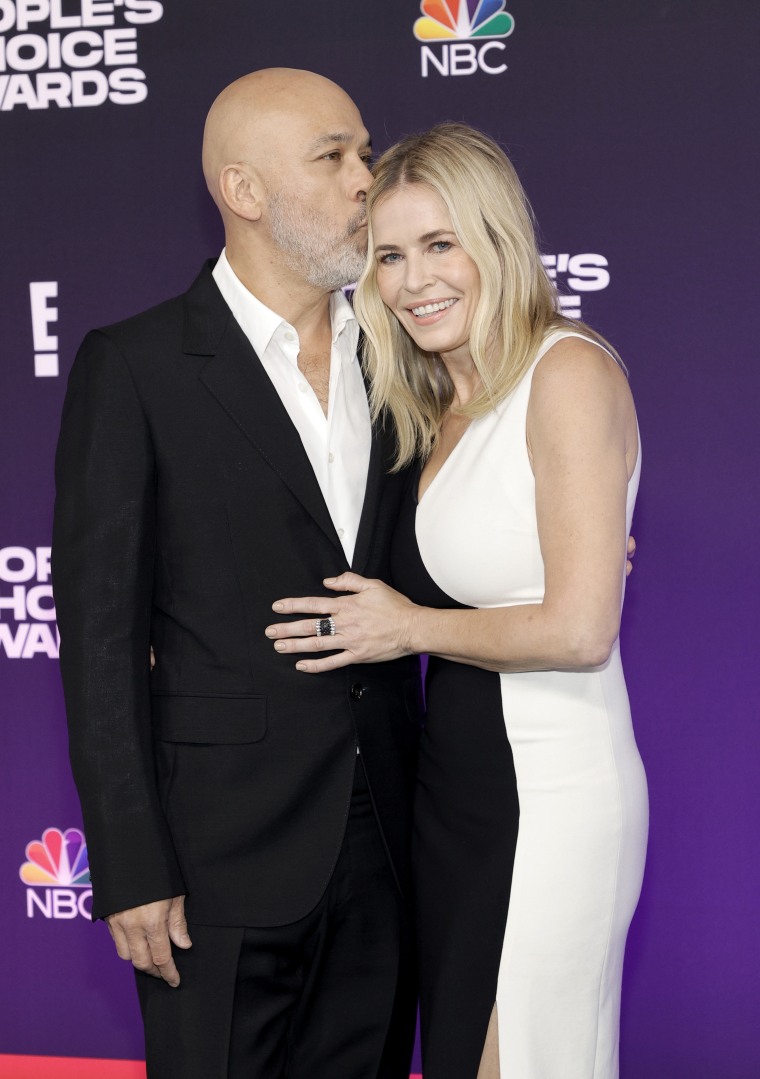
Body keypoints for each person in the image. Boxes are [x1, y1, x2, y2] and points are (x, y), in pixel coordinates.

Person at [52, 69, 423, 1079]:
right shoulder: (135, 367)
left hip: (389, 839)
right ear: (243, 190)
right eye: (333, 156)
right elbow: (97, 640)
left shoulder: (400, 357)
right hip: (214, 859)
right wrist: (130, 867)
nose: (366, 180)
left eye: (365, 152)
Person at [265, 123, 649, 1079]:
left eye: (441, 244)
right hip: (457, 792)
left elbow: (580, 628)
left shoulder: (567, 371)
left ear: (499, 244)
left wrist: (408, 628)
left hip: (553, 792)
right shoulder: (434, 403)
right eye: (388, 255)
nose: (412, 279)